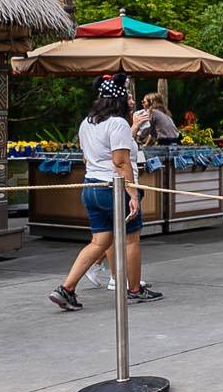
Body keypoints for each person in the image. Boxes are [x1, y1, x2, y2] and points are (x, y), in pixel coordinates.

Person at [49, 83, 158, 310]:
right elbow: (120, 162)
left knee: (99, 241)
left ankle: (66, 288)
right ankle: (135, 289)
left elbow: (86, 159)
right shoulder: (117, 123)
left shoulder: (86, 123)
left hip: (91, 186)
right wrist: (133, 194)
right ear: (118, 101)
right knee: (131, 239)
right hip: (113, 188)